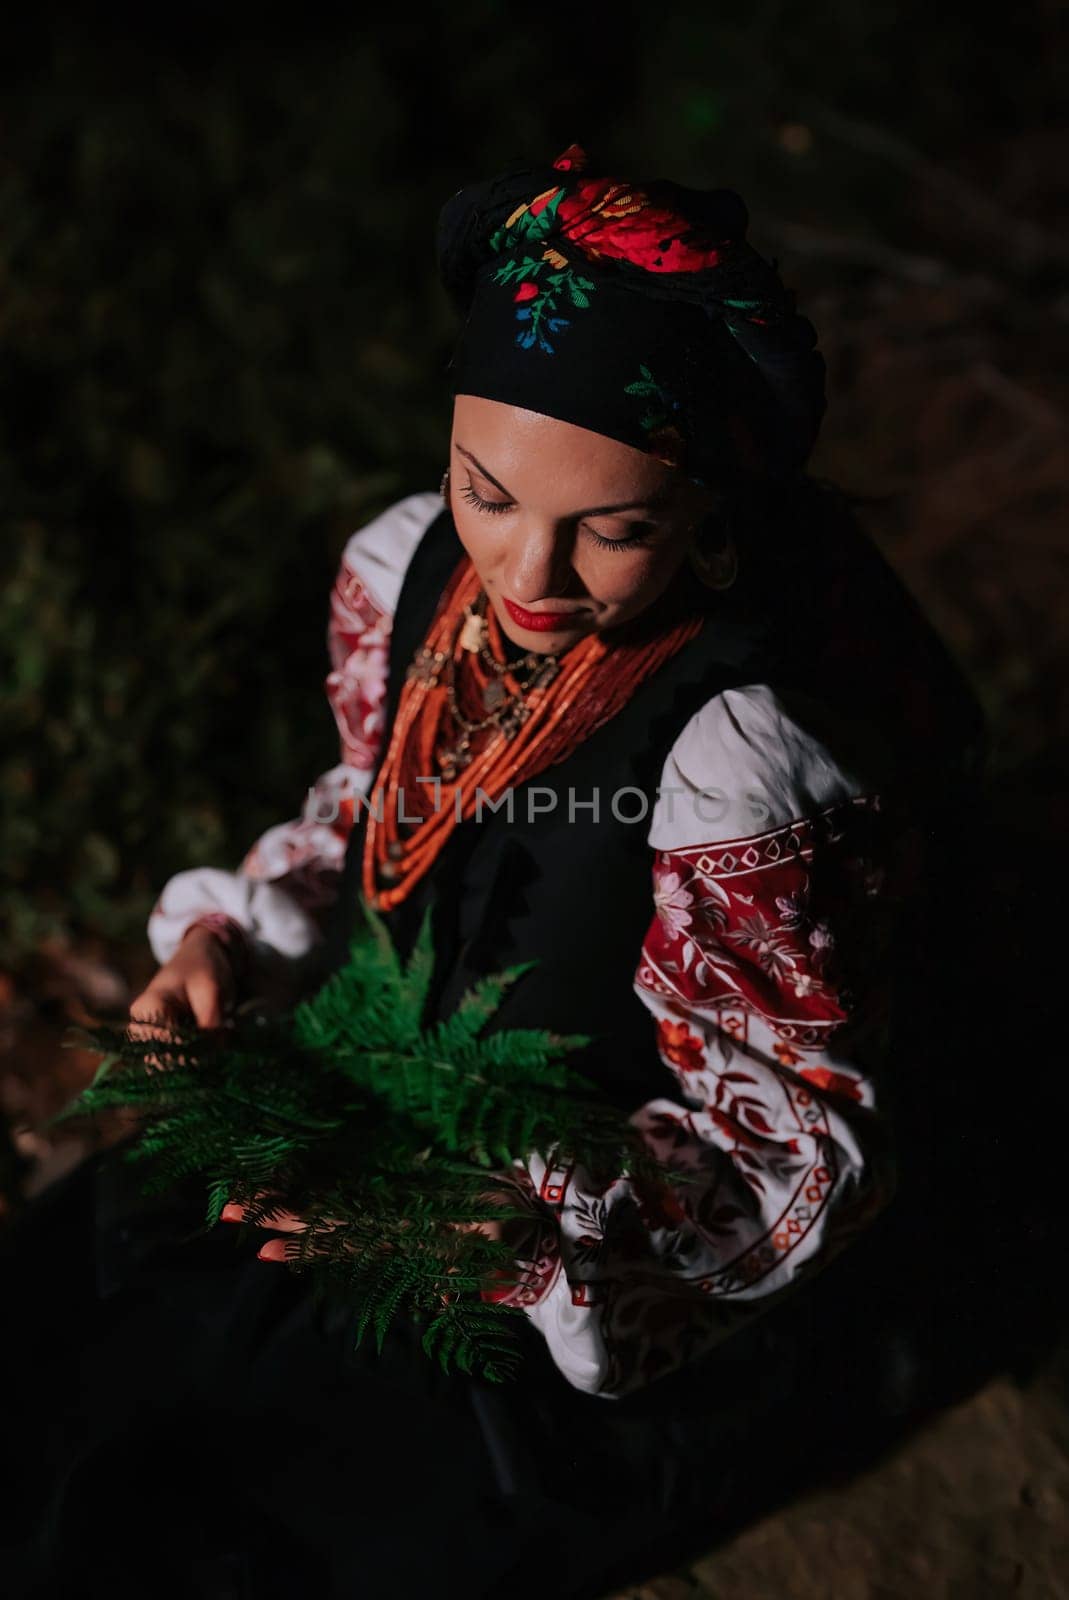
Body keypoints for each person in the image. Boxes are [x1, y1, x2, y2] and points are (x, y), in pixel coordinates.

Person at [4, 144, 987, 1598]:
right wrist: (237, 942)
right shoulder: (407, 572)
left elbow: (798, 1146)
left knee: (168, 1529)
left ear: (707, 511)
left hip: (547, 1266)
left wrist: (530, 1235)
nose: (527, 573)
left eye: (613, 528)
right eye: (489, 491)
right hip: (366, 1104)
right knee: (44, 1342)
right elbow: (364, 813)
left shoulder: (739, 764)